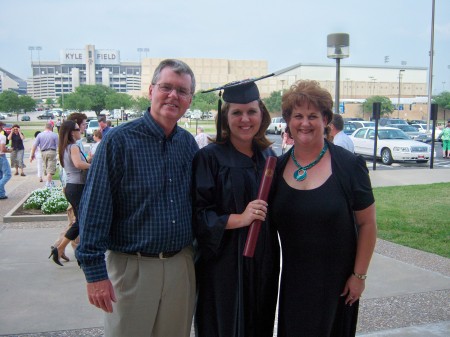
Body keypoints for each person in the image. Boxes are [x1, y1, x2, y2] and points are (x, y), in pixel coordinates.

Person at [76, 59, 198, 337]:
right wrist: (95, 274)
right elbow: (94, 209)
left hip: (181, 265)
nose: (173, 96)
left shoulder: (188, 144)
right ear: (151, 90)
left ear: (189, 100)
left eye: (182, 91)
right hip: (132, 267)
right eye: (166, 87)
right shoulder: (118, 141)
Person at [270, 80, 377, 336]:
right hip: (295, 283)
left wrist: (359, 276)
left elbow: (367, 224)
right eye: (298, 116)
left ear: (325, 119)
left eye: (312, 116)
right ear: (288, 121)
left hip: (339, 285)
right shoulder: (276, 169)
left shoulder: (349, 166)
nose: (304, 123)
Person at [192, 80, 280, 337]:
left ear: (261, 114)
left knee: (259, 320)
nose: (245, 119)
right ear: (225, 116)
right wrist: (240, 219)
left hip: (264, 258)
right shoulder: (209, 158)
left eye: (251, 111)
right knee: (225, 324)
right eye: (237, 112)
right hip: (224, 261)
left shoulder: (269, 158)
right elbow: (198, 215)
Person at [48, 121, 90, 266]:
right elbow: (78, 164)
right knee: (82, 221)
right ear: (72, 132)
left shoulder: (64, 147)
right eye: (78, 129)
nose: (81, 131)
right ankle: (61, 249)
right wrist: (93, 165)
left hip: (72, 187)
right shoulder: (73, 147)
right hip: (77, 187)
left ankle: (60, 248)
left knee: (81, 221)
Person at [30, 122, 59, 188]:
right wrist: (59, 154)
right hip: (52, 152)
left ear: (45, 127)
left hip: (43, 152)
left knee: (47, 168)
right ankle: (48, 184)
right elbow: (58, 146)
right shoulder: (55, 135)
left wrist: (32, 155)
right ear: (51, 127)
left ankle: (49, 182)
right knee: (50, 169)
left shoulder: (40, 135)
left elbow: (34, 145)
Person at [0, 121, 12, 200]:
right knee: (8, 174)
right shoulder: (2, 137)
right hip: (1, 157)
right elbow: (2, 149)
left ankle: (1, 194)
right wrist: (9, 150)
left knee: (0, 175)